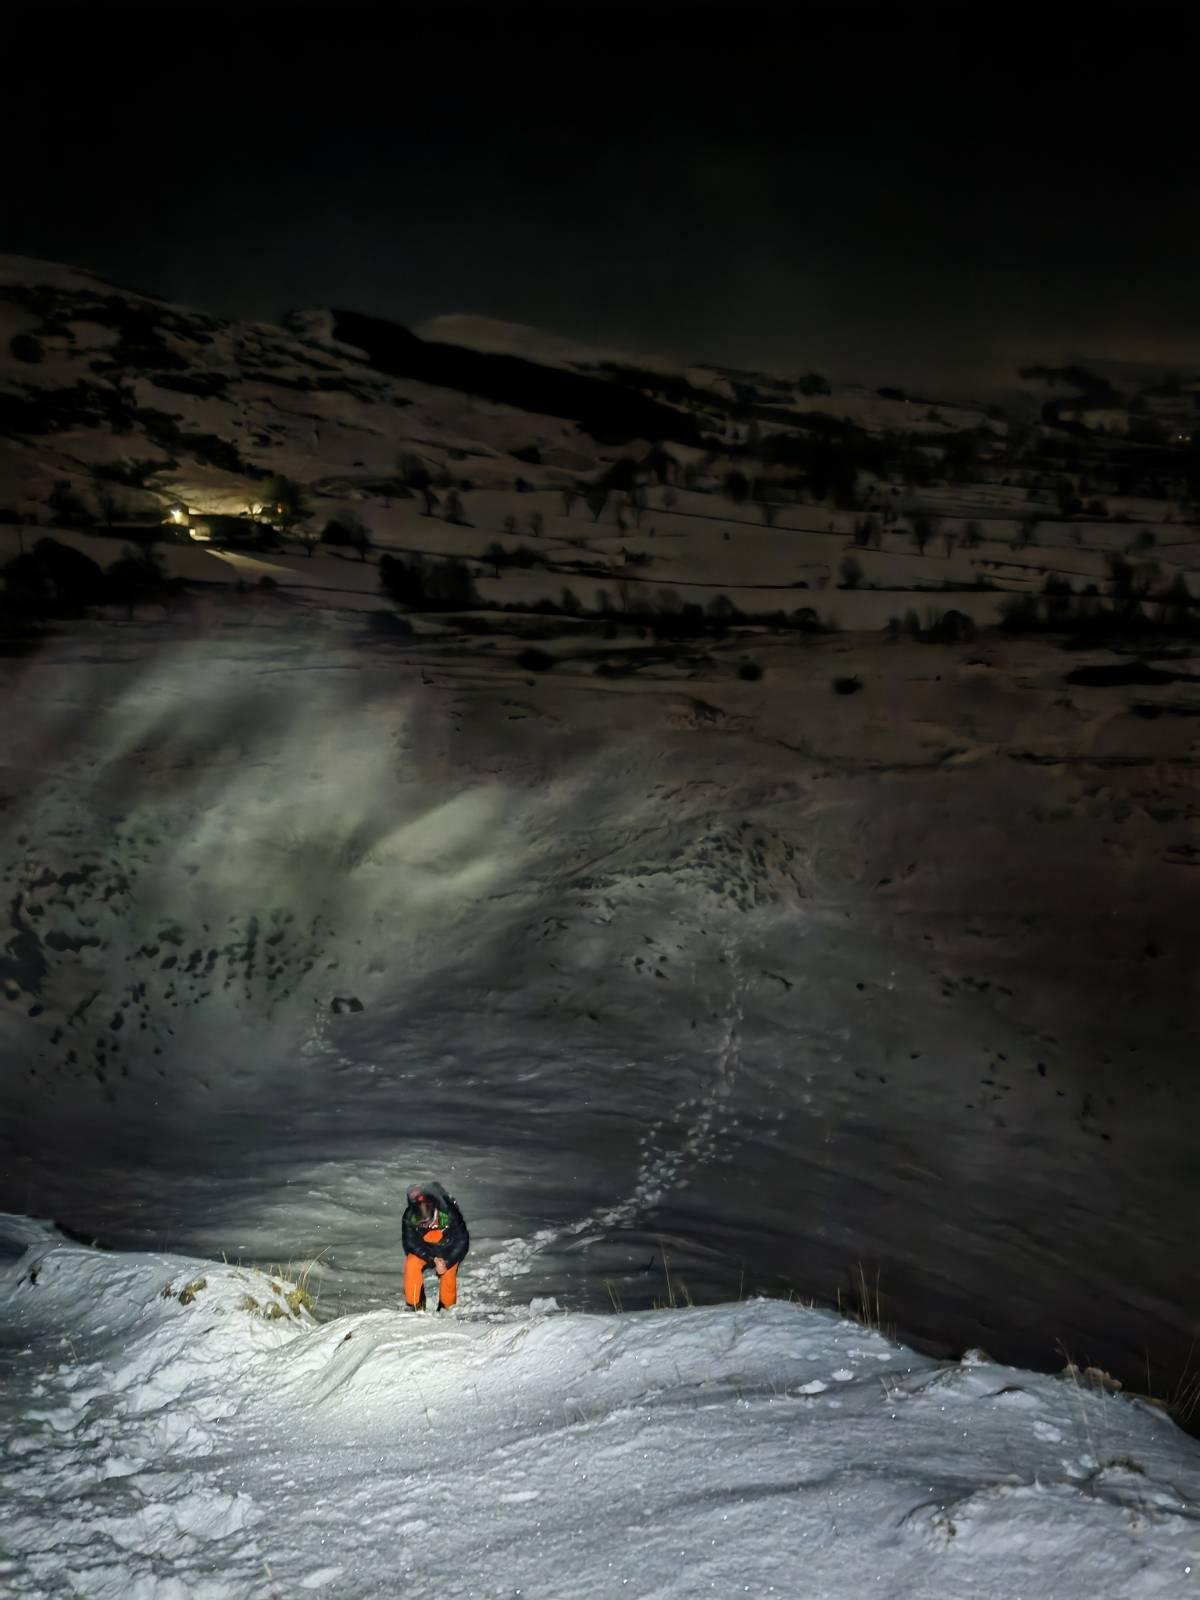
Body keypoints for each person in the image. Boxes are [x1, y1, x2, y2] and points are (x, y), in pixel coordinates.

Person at [403, 1182, 469, 1312]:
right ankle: (416, 1305)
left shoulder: (449, 1214)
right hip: (426, 1249)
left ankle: (447, 1307)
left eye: (427, 1222)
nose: (425, 1226)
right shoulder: (410, 1216)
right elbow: (410, 1243)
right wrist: (432, 1258)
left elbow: (462, 1241)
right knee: (411, 1264)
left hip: (448, 1247)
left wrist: (447, 1262)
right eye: (421, 1224)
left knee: (448, 1272)